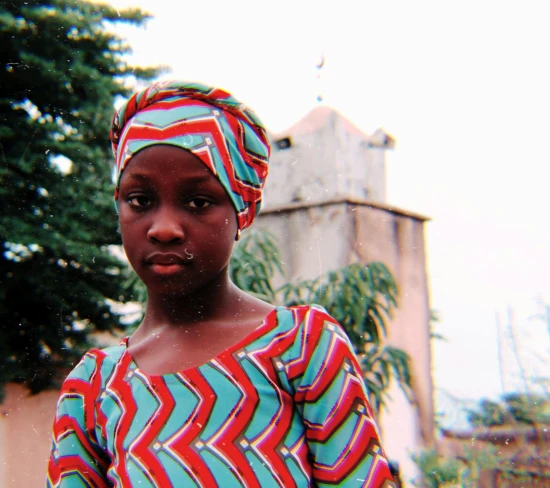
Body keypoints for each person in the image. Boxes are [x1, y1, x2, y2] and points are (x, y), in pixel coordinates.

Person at [46, 80, 397, 487]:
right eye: (140, 200)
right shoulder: (94, 387)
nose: (163, 228)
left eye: (198, 202)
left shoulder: (301, 347)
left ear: (244, 211)